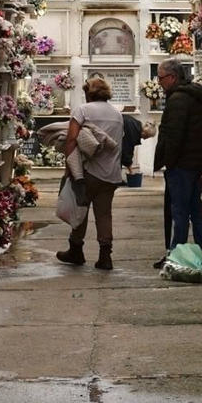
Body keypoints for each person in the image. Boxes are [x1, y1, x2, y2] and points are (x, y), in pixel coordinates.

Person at [57, 77, 124, 270]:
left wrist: (69, 168)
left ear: (88, 93)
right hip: (110, 173)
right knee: (104, 214)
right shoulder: (116, 114)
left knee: (80, 210)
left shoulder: (83, 111)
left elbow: (71, 139)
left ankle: (76, 250)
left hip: (88, 170)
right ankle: (105, 255)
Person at [152, 58, 202, 267]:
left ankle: (177, 253)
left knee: (179, 210)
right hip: (195, 160)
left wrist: (168, 161)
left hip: (182, 163)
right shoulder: (193, 96)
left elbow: (174, 135)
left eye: (161, 78)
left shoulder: (177, 99)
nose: (159, 82)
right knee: (195, 207)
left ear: (172, 77)